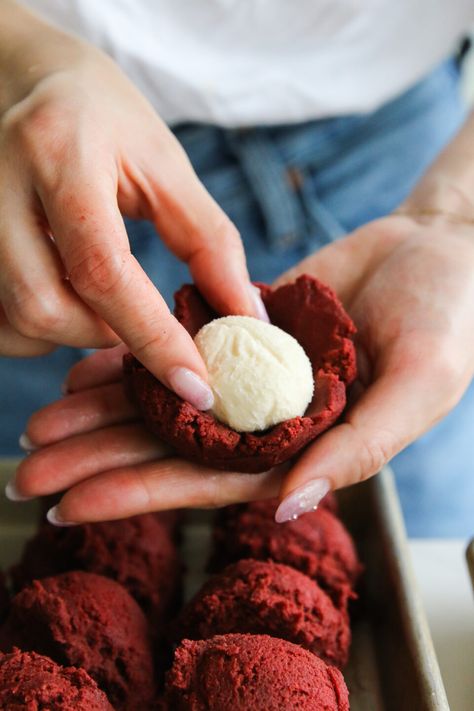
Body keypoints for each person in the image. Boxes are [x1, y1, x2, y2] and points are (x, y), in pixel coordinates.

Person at [1, 0, 473, 535]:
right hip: (24, 173)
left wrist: (458, 217)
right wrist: (18, 53)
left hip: (388, 156)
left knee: (421, 549)